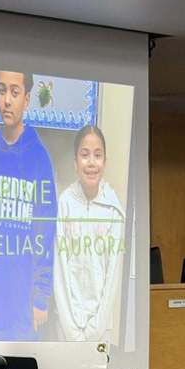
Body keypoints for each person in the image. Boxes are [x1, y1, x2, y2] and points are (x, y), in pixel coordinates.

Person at [0, 69, 57, 341]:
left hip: (24, 301)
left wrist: (41, 298)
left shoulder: (39, 157)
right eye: (1, 90)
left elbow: (46, 233)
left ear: (27, 98)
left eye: (15, 92)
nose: (7, 100)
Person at [52, 124, 125, 342]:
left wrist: (94, 328)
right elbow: (60, 269)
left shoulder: (113, 209)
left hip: (100, 331)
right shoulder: (65, 203)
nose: (91, 162)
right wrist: (72, 329)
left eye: (97, 155)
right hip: (66, 326)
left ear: (105, 162)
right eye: (85, 155)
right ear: (75, 162)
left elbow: (112, 277)